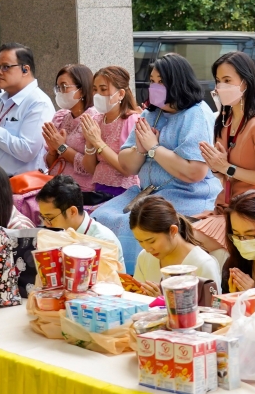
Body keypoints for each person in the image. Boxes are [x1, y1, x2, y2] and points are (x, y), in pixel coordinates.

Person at [93, 53, 221, 274]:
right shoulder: (151, 114)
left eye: (161, 82)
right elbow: (127, 165)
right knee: (100, 217)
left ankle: (140, 283)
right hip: (146, 193)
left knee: (133, 226)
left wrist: (154, 148)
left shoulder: (196, 114)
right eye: (152, 81)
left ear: (177, 82)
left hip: (186, 195)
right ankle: (110, 279)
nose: (155, 86)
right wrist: (141, 150)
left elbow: (195, 172)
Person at [192, 51, 255, 253]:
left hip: (253, 212)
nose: (220, 87)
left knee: (184, 242)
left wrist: (227, 168)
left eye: (227, 80)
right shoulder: (224, 123)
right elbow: (226, 176)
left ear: (245, 83)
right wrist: (217, 167)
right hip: (226, 208)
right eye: (218, 81)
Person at [0, 43, 56, 175]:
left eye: (5, 67)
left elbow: (27, 151)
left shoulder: (39, 103)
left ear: (25, 69)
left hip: (14, 185)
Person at [130, 195, 221, 295]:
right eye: (140, 241)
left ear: (173, 230)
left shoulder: (203, 264)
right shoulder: (144, 257)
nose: (147, 248)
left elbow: (214, 308)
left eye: (151, 241)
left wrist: (164, 303)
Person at [36, 175, 125, 269]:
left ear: (72, 212)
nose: (46, 224)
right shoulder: (56, 233)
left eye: (50, 218)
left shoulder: (103, 242)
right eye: (43, 217)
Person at [79, 66, 141, 199]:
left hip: (124, 192)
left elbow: (127, 169)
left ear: (121, 94)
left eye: (103, 89)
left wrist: (98, 142)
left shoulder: (131, 120)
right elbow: (91, 169)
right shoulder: (97, 120)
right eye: (95, 90)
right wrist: (90, 143)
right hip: (100, 189)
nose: (97, 95)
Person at [42, 64, 97, 191]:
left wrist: (61, 147)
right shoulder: (60, 117)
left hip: (81, 189)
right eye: (58, 88)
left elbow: (90, 167)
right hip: (55, 185)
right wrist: (52, 151)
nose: (60, 92)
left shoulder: (94, 119)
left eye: (64, 87)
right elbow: (51, 164)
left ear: (82, 90)